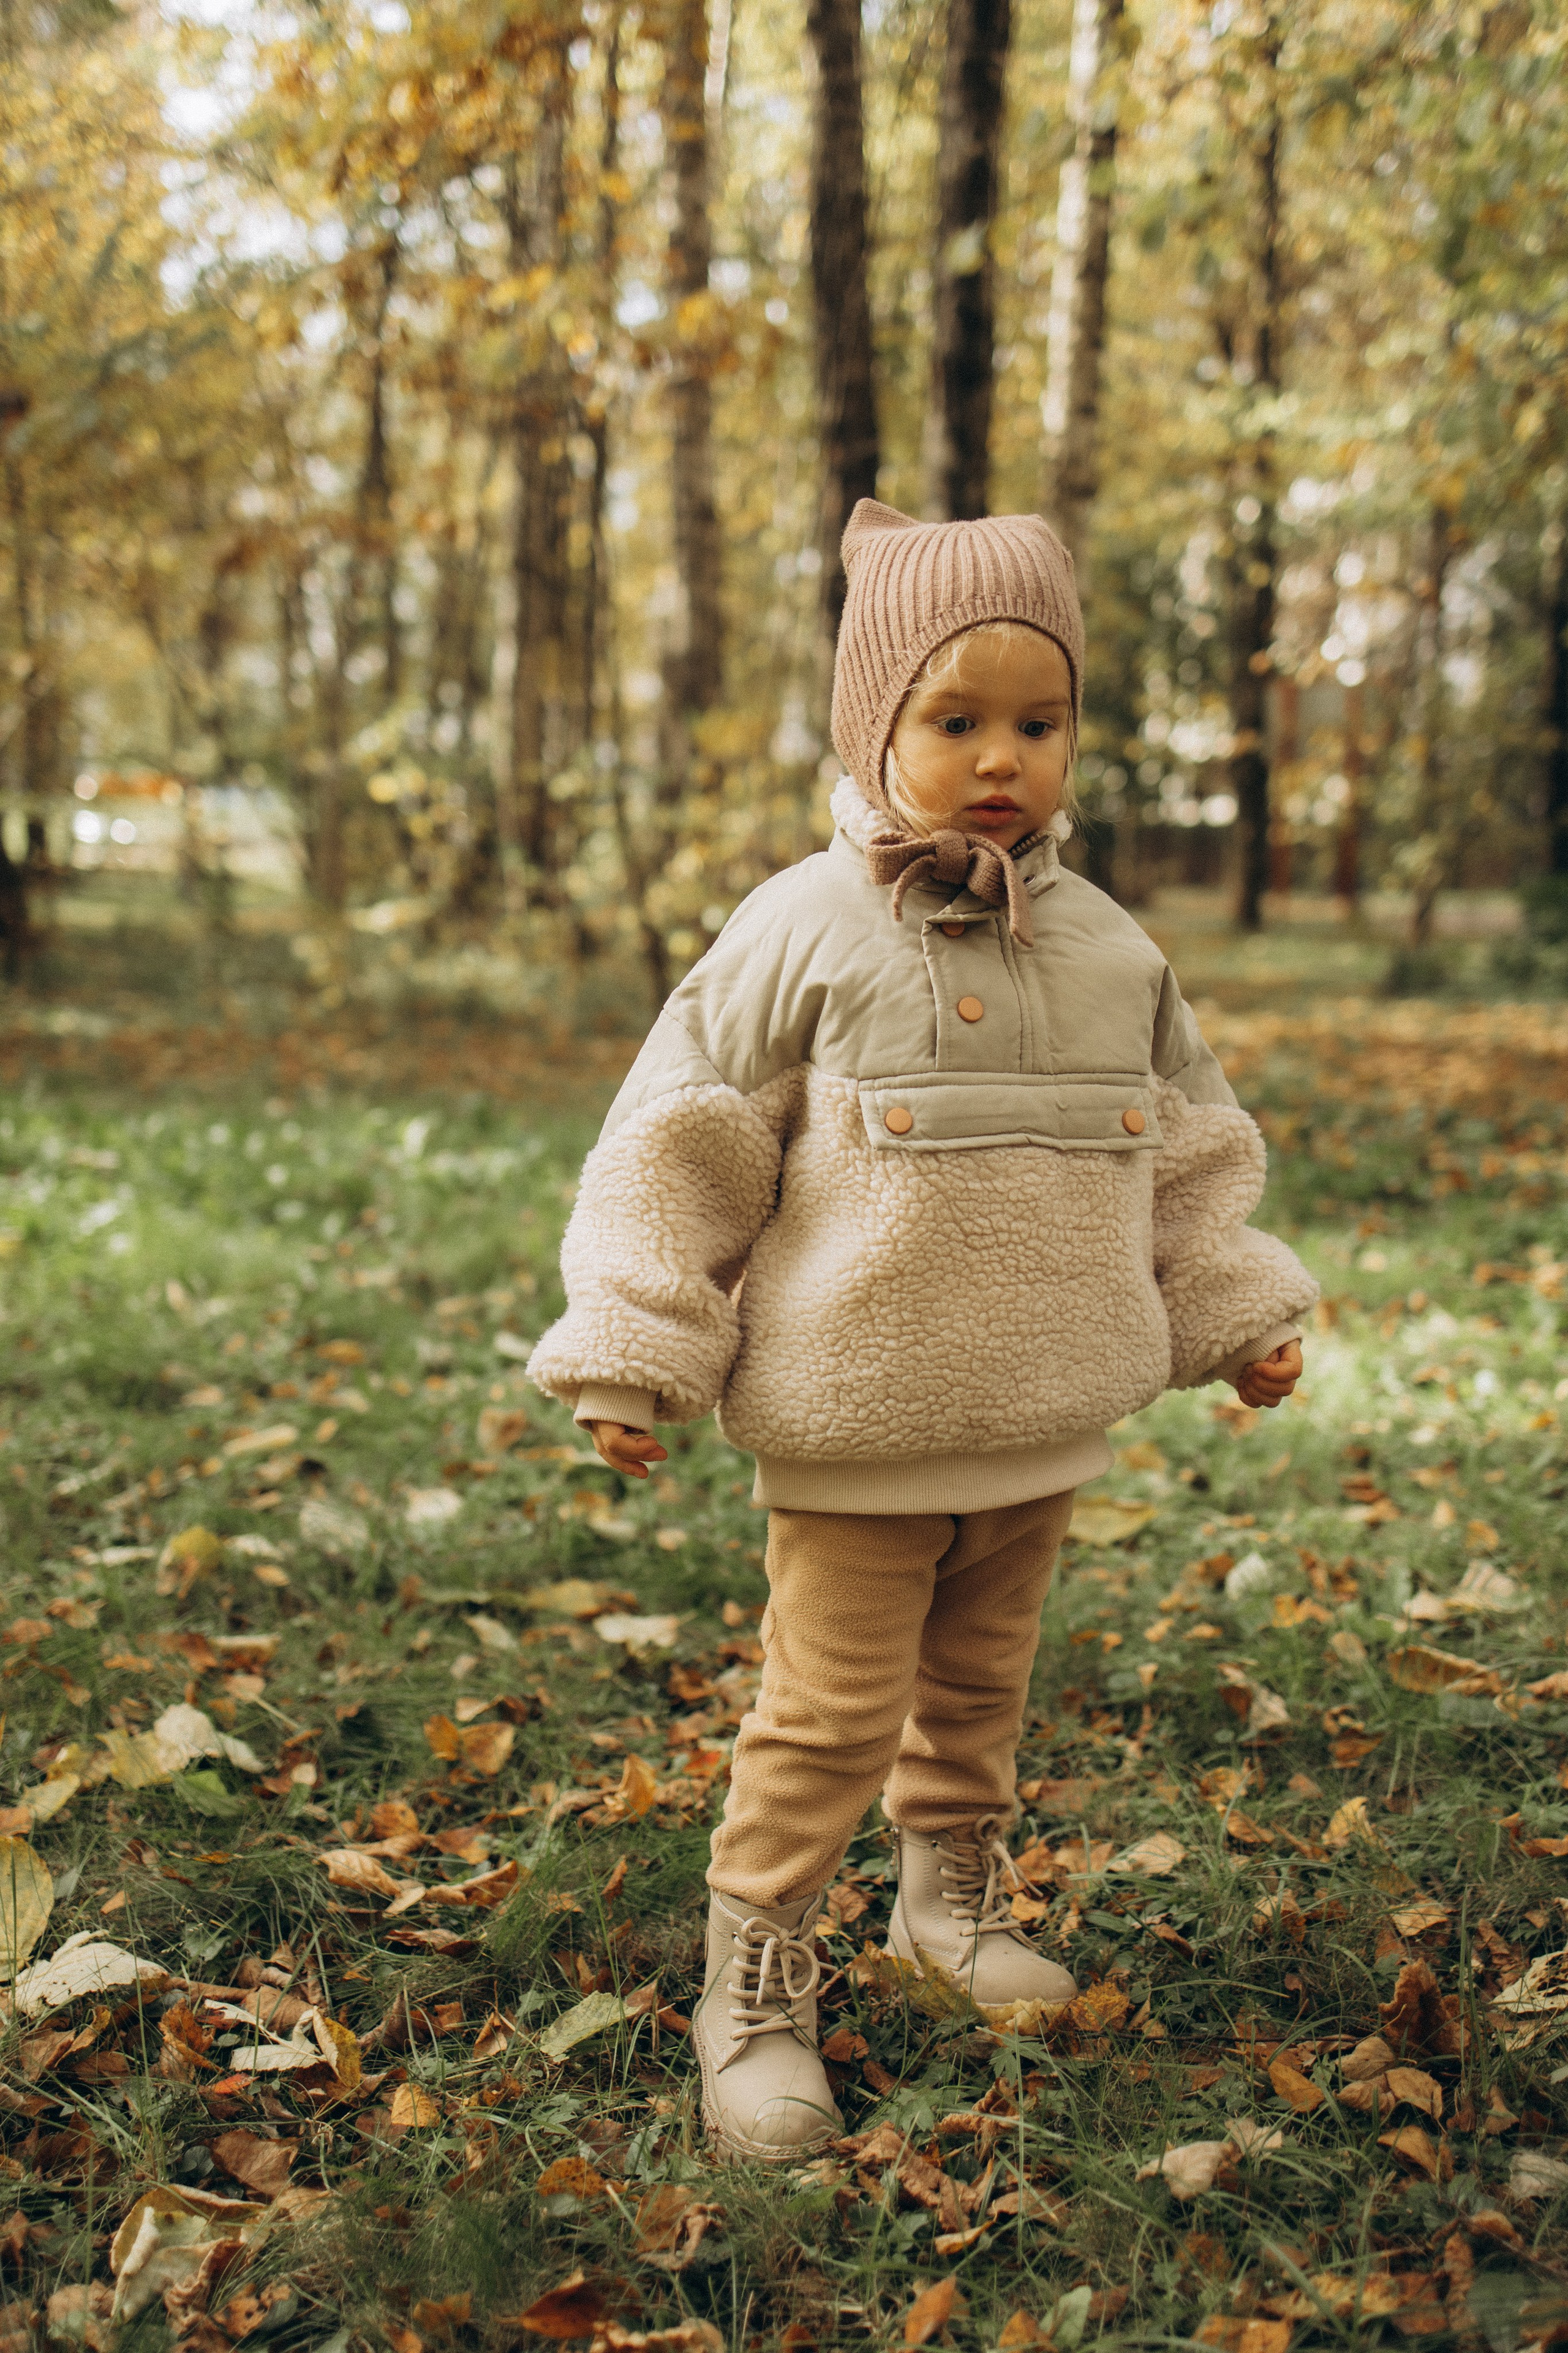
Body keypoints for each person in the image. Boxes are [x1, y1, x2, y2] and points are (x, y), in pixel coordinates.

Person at [528, 500, 1316, 2162]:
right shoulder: (808, 928)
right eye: (955, 719)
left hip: (1042, 1413)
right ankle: (752, 1984)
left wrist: (1233, 1304)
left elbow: (1187, 1150)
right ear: (875, 725)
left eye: (1038, 721)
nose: (1000, 758)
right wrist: (635, 1340)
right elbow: (678, 1139)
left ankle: (945, 1905)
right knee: (827, 1709)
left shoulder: (1110, 949)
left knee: (979, 1691)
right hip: (857, 1420)